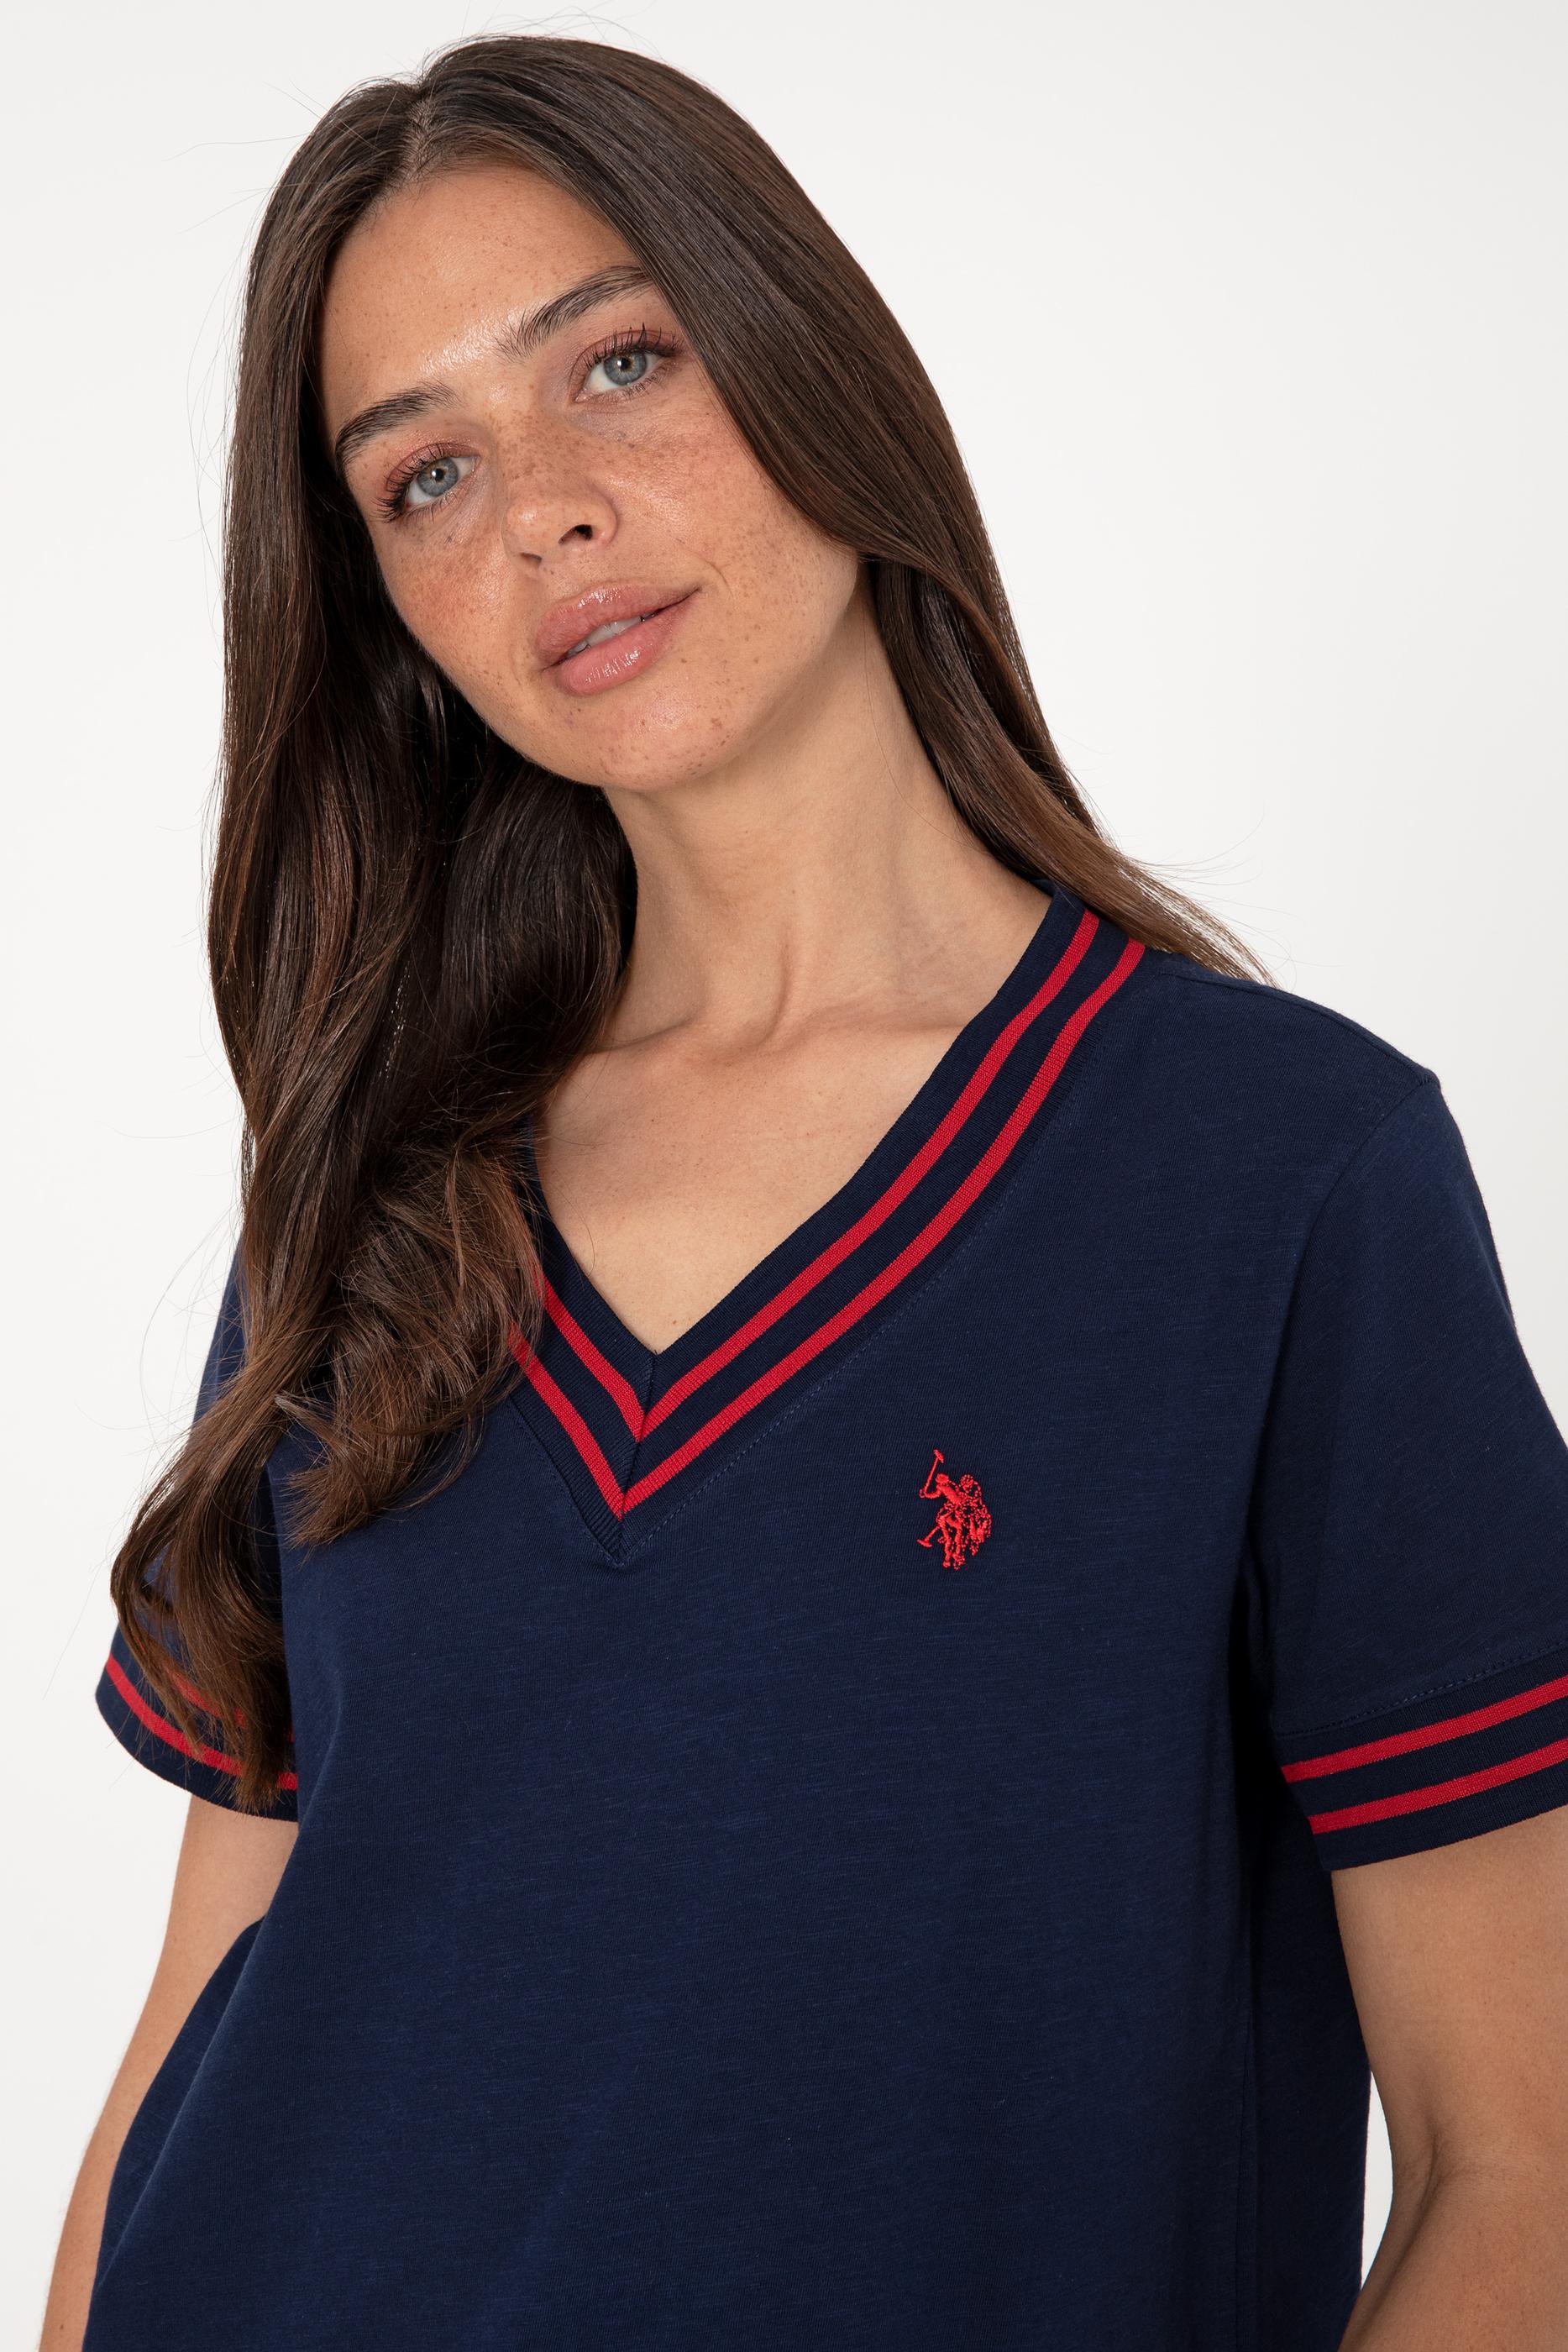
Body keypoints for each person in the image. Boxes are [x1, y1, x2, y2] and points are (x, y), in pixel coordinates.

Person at [41, 31, 1568, 2352]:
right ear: (392, 619)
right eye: (426, 475)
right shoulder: (368, 1207)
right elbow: (197, 2017)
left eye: (620, 363)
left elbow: (1514, 2167)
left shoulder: (1277, 1183)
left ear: (812, 363)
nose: (542, 511)